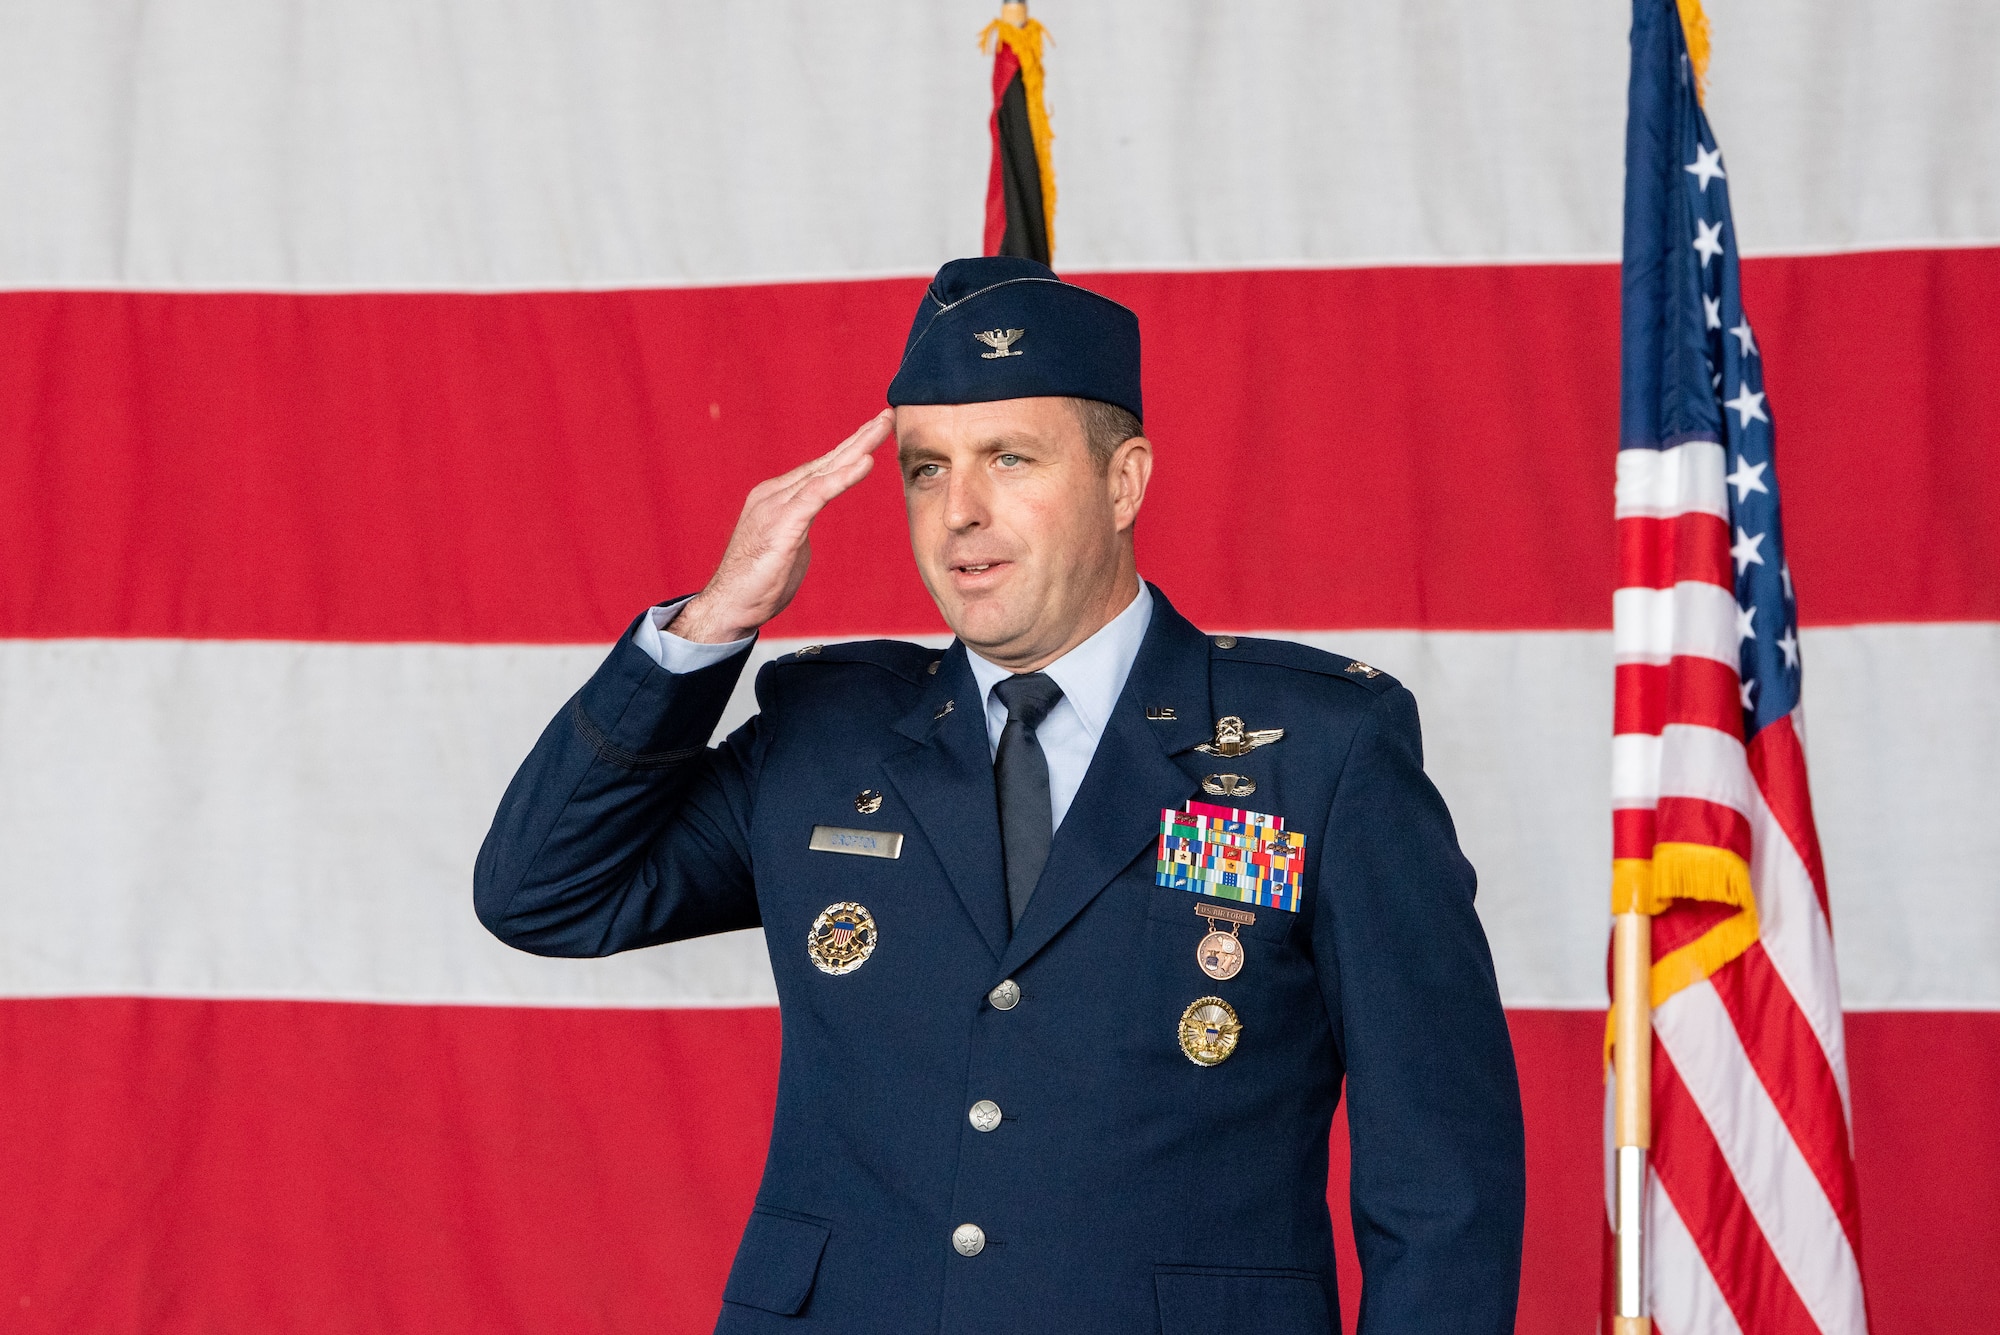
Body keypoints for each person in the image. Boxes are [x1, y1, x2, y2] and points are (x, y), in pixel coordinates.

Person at [475, 257, 1524, 1334]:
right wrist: (710, 625)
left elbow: (1441, 1182)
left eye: (1009, 459)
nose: (959, 512)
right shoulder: (828, 736)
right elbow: (544, 893)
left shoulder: (1319, 751)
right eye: (925, 470)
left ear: (1124, 483)